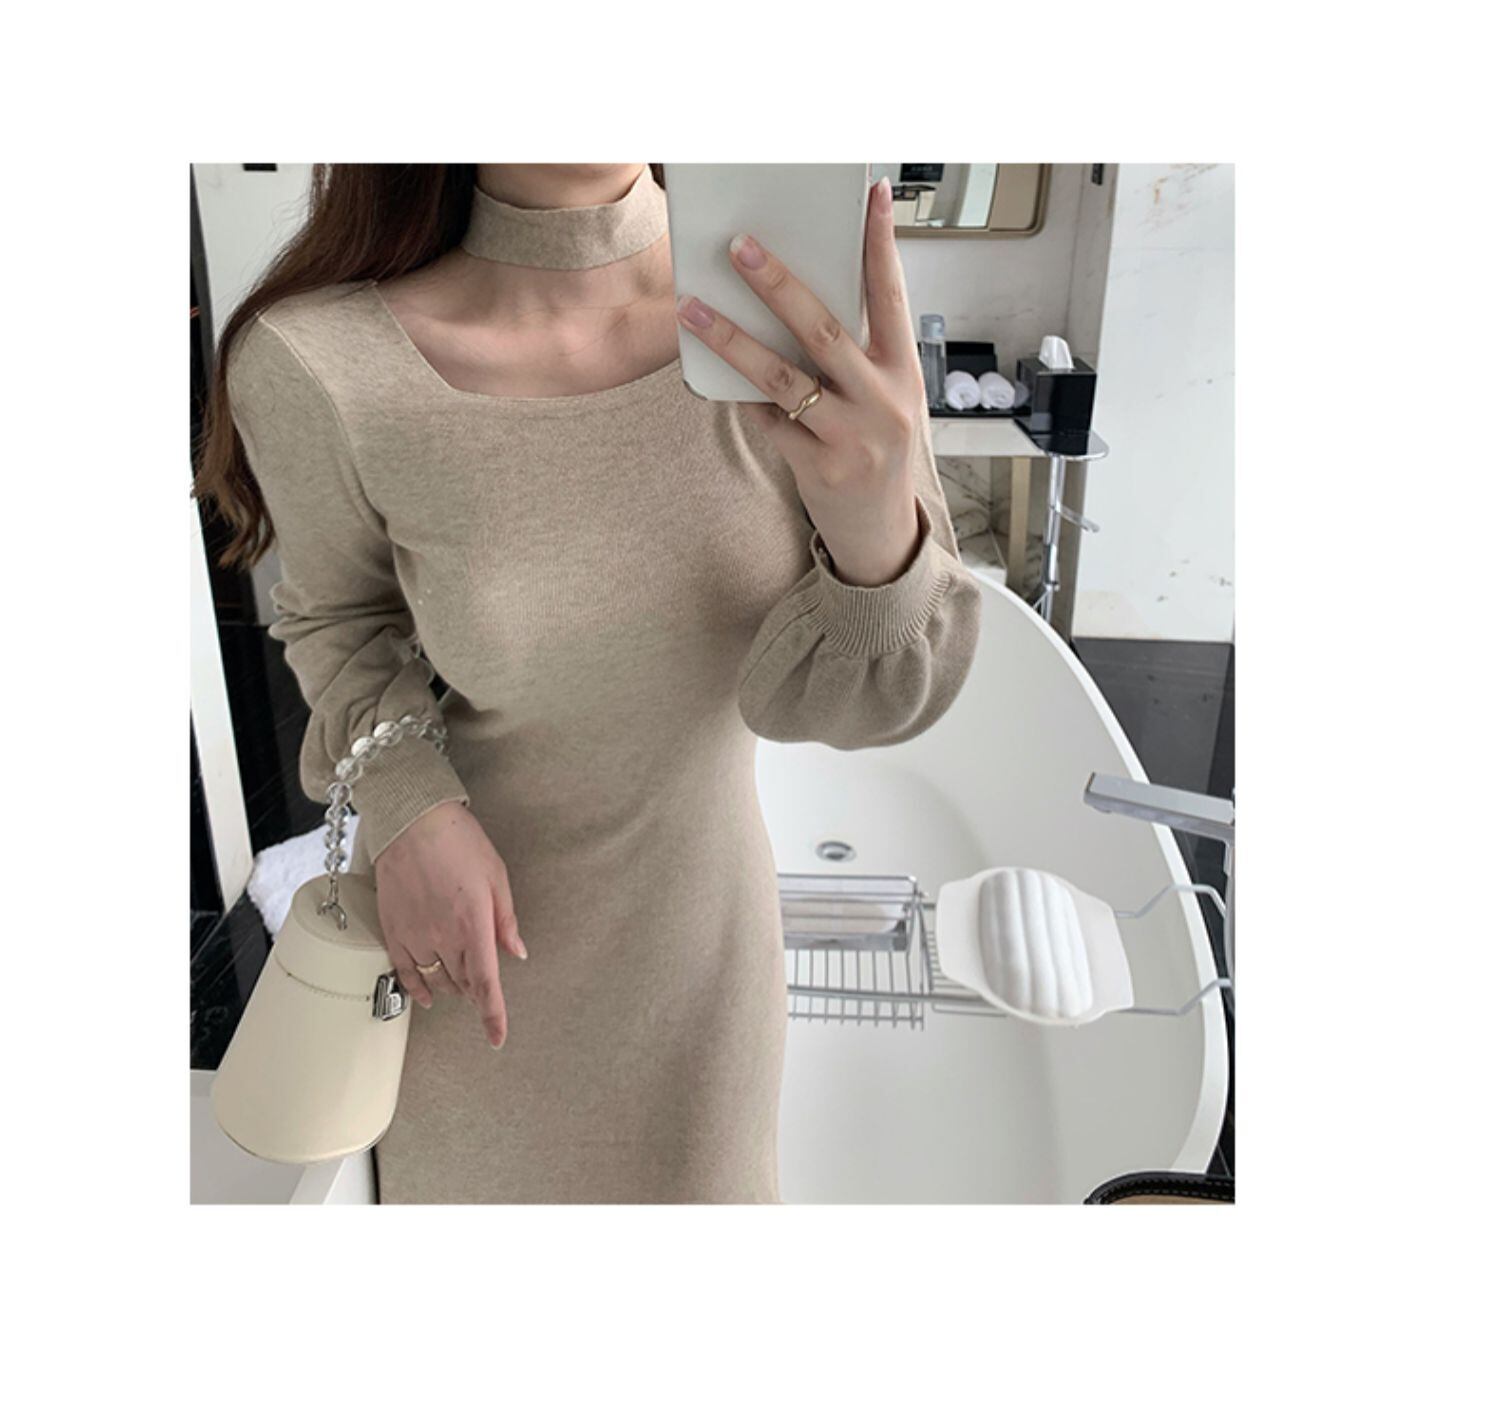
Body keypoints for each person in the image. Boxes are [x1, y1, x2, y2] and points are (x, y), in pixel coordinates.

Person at [195, 163, 981, 1202]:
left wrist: (878, 532)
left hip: (700, 959)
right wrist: (410, 805)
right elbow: (341, 622)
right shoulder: (321, 361)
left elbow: (869, 703)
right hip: (459, 961)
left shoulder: (798, 315)